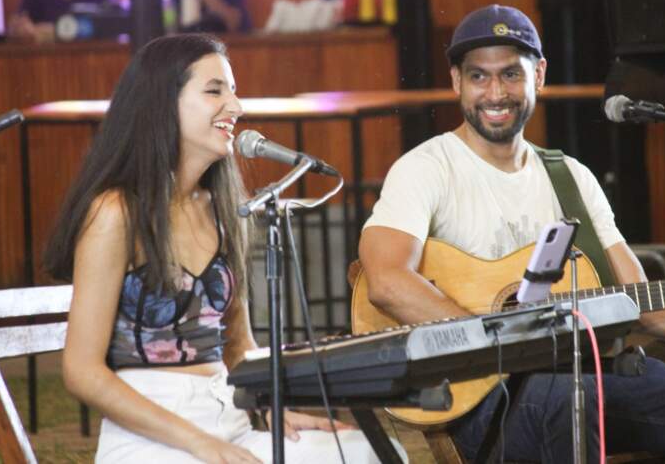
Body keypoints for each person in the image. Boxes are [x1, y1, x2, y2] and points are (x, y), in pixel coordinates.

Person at [358, 3, 665, 462]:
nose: (495, 92)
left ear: (540, 75)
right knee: (569, 402)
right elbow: (387, 282)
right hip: (478, 397)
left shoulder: (569, 176)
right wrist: (493, 338)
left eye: (511, 74)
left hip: (592, 379)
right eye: (479, 77)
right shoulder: (426, 169)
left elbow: (638, 303)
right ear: (456, 82)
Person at [44, 33, 403, 463]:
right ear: (162, 102)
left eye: (233, 90)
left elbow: (238, 344)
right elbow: (81, 372)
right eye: (215, 90)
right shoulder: (115, 211)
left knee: (373, 452)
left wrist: (274, 409)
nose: (236, 106)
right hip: (151, 436)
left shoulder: (222, 209)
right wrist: (201, 443)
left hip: (230, 419)